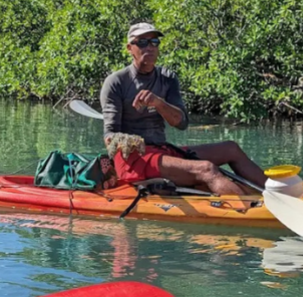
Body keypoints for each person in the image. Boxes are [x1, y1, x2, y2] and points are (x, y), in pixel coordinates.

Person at [100, 22, 268, 196]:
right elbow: (109, 136)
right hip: (134, 161)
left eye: (154, 42)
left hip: (163, 151)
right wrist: (126, 140)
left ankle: (276, 193)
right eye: (142, 42)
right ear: (130, 48)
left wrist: (159, 103)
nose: (149, 47)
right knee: (207, 169)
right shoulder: (115, 82)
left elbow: (181, 123)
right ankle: (248, 208)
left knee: (231, 148)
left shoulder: (167, 77)